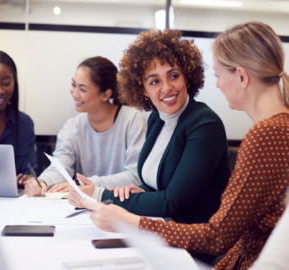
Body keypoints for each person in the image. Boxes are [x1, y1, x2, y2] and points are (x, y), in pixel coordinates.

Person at [77, 22, 289, 270]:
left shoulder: (266, 134)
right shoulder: (276, 129)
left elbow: (216, 236)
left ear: (241, 76)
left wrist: (129, 220)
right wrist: (137, 193)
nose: (218, 84)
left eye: (219, 75)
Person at [69, 29, 231, 264]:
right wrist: (139, 189)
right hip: (160, 235)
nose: (166, 87)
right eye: (154, 81)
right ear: (143, 89)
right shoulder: (156, 119)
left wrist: (100, 194)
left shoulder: (204, 124)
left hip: (194, 249)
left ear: (187, 76)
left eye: (173, 75)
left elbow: (173, 201)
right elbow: (159, 183)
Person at [24, 57, 147, 197]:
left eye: (82, 89)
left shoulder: (133, 119)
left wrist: (82, 184)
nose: (74, 93)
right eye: (73, 84)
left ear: (106, 94)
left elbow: (134, 176)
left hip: (120, 204)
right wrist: (42, 182)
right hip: (82, 205)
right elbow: (60, 167)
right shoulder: (71, 127)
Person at [0, 51, 36, 185]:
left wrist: (29, 179)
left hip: (14, 202)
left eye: (6, 83)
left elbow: (30, 171)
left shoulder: (25, 124)